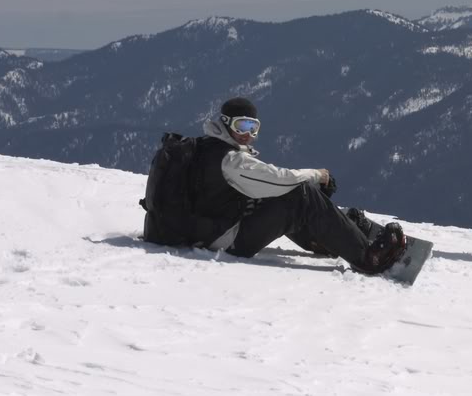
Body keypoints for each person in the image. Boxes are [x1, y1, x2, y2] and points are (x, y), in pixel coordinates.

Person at [165, 96, 405, 273]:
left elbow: (266, 185)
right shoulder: (229, 159)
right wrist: (317, 175)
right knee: (298, 194)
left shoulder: (210, 147)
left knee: (287, 195)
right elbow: (279, 179)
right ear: (226, 123)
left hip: (210, 232)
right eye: (241, 126)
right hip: (225, 240)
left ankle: (326, 238)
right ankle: (368, 257)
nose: (247, 134)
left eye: (252, 127)